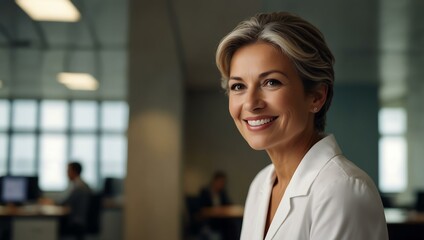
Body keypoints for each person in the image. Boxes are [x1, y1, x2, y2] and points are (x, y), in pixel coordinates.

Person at [215, 12, 388, 239]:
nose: (250, 103)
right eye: (238, 86)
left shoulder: (342, 190)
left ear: (316, 96)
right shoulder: (261, 184)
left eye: (271, 82)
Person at [61, 161, 92, 240]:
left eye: (68, 171)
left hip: (78, 221)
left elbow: (66, 201)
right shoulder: (80, 184)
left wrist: (52, 202)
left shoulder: (79, 187)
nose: (66, 174)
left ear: (74, 172)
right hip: (81, 219)